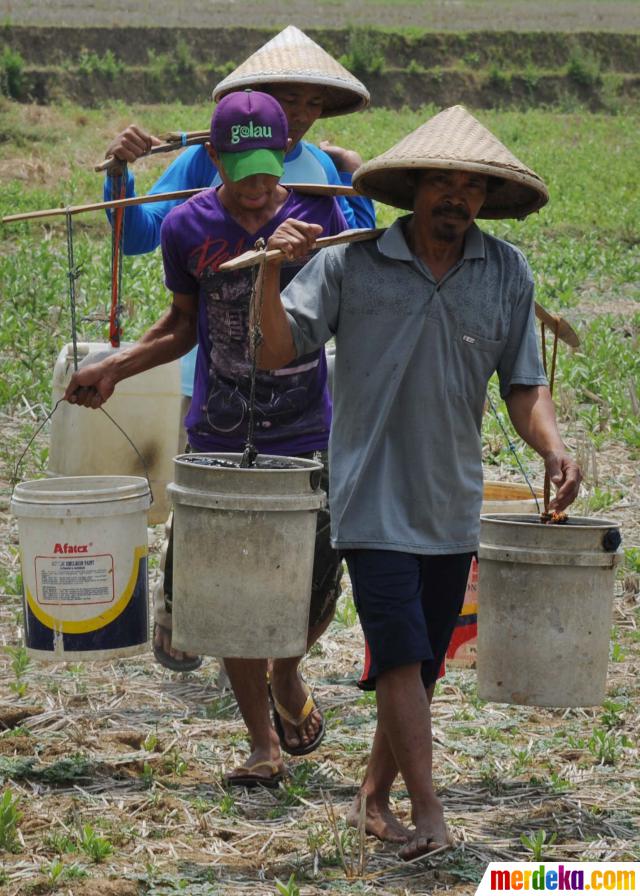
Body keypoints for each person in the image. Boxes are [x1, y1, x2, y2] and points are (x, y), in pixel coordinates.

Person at [255, 105, 582, 858]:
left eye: (471, 187)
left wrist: (554, 449)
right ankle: (428, 811)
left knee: (423, 665)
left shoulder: (505, 273)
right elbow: (277, 350)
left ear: (485, 200)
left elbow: (524, 386)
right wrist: (272, 270)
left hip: (448, 501)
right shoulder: (352, 262)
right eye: (442, 181)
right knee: (399, 655)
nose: (456, 198)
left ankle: (373, 795)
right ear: (414, 188)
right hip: (368, 498)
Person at [67, 90, 349, 783]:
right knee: (229, 587)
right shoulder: (189, 227)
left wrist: (294, 259)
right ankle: (262, 744)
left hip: (305, 425)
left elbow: (344, 314)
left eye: (269, 169)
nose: (257, 190)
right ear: (212, 157)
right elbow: (183, 325)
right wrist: (116, 367)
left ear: (287, 154)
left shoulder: (318, 213)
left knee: (314, 586)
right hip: (220, 426)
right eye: (241, 170)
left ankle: (287, 668)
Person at [101, 25, 375, 671]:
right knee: (211, 505)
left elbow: (351, 260)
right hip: (212, 369)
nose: (301, 115)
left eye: (312, 104)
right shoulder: (206, 159)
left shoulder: (323, 174)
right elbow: (141, 234)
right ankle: (189, 612)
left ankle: (270, 648)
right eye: (288, 100)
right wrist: (120, 174)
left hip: (299, 377)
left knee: (295, 526)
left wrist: (361, 181)